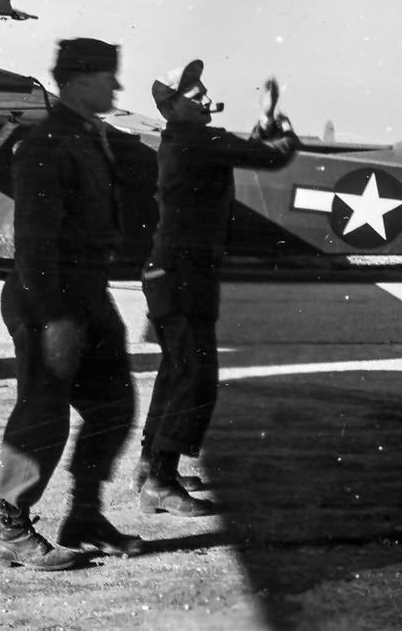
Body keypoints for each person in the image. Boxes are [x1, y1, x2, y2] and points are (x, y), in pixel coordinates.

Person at [0, 37, 142, 570]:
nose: (116, 87)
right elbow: (33, 243)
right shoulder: (46, 142)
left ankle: (85, 516)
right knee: (44, 410)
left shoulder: (85, 134)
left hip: (87, 292)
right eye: (107, 78)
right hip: (47, 296)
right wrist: (55, 317)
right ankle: (12, 530)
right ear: (79, 81)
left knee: (115, 405)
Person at [136, 61, 299, 516]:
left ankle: (150, 465)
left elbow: (247, 148)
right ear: (173, 107)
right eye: (197, 95)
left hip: (170, 273)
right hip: (185, 275)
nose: (207, 99)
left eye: (206, 91)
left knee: (176, 371)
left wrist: (265, 122)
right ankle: (160, 483)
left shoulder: (183, 139)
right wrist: (277, 123)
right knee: (196, 377)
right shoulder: (197, 140)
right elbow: (271, 156)